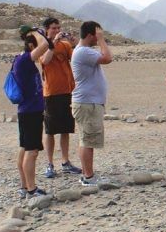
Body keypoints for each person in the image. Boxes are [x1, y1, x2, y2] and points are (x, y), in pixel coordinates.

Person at [39, 17, 82, 178]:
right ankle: (49, 164)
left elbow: (77, 57)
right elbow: (45, 61)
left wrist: (75, 42)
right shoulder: (41, 46)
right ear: (46, 30)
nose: (57, 31)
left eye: (58, 28)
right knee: (50, 130)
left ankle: (65, 161)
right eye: (53, 28)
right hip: (51, 93)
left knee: (65, 129)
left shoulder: (64, 46)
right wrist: (52, 43)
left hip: (67, 91)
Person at [71, 21, 112, 186]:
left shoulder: (83, 51)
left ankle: (87, 174)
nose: (99, 38)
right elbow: (108, 58)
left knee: (86, 139)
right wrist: (102, 40)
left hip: (88, 103)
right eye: (97, 34)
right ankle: (88, 177)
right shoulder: (83, 52)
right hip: (87, 103)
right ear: (90, 35)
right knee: (88, 140)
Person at [14, 26, 51, 198]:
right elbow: (45, 45)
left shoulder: (21, 60)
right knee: (32, 151)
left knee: (25, 148)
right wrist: (36, 33)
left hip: (28, 110)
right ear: (31, 46)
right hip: (30, 112)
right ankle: (31, 189)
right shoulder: (24, 60)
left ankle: (24, 186)